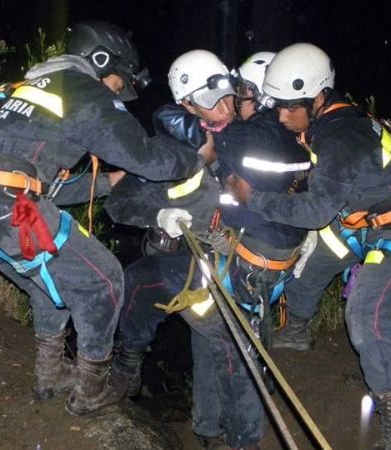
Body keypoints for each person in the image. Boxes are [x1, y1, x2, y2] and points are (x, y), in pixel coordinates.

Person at [0, 20, 212, 417]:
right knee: (104, 281)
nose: (118, 92)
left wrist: (106, 184)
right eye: (120, 83)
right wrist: (195, 158)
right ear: (102, 63)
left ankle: (49, 374)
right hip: (4, 208)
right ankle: (91, 390)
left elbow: (39, 185)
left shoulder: (21, 90)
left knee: (51, 283)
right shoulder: (85, 90)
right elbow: (148, 159)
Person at [227, 42, 391, 450]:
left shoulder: (339, 137)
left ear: (317, 97)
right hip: (362, 220)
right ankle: (299, 331)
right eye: (279, 106)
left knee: (364, 314)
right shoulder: (333, 118)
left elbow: (316, 212)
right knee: (310, 265)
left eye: (290, 107)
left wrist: (254, 199)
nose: (282, 116)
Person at [106, 49, 309, 450]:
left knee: (226, 344)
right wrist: (160, 212)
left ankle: (224, 436)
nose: (223, 108)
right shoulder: (172, 149)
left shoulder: (247, 139)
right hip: (196, 260)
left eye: (228, 97)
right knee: (141, 283)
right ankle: (127, 364)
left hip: (240, 266)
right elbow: (121, 201)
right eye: (209, 100)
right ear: (187, 104)